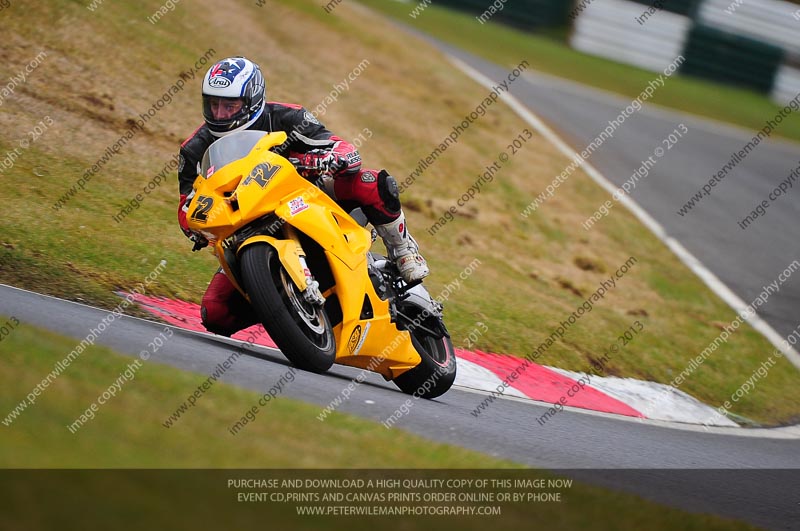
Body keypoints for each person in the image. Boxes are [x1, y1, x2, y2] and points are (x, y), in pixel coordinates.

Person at [177, 56, 429, 336]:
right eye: (214, 105)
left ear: (252, 100)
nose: (221, 114)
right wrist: (193, 225)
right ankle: (282, 304)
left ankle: (403, 251)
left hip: (306, 196)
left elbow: (341, 147)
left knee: (370, 181)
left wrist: (331, 158)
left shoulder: (288, 117)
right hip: (242, 228)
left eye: (230, 105)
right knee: (216, 314)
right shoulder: (193, 150)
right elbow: (186, 205)